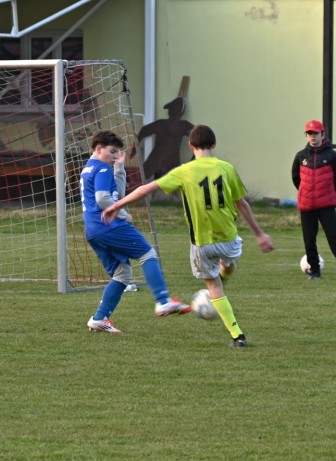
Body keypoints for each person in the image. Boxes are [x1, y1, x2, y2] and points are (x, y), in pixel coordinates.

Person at [102, 124, 274, 348]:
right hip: (229, 239)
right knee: (229, 263)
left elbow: (146, 189)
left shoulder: (185, 171)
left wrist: (117, 205)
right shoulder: (227, 168)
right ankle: (226, 268)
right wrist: (260, 234)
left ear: (191, 145)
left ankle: (238, 336)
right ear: (214, 144)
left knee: (214, 287)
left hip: (202, 243)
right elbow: (241, 203)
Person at [80, 130, 189, 334]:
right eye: (112, 151)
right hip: (108, 225)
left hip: (93, 230)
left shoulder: (89, 168)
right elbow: (103, 199)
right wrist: (122, 214)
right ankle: (163, 301)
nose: (115, 156)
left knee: (122, 273)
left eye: (117, 152)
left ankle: (99, 319)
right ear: (99, 148)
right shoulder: (102, 169)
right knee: (147, 254)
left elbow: (117, 195)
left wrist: (119, 168)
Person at [292, 119, 336, 281]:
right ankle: (314, 271)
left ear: (322, 134)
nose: (312, 136)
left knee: (334, 238)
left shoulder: (333, 156)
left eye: (315, 133)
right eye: (309, 134)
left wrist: (329, 196)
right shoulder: (301, 156)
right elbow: (296, 179)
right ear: (306, 136)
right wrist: (307, 194)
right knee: (309, 240)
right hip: (307, 205)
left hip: (326, 206)